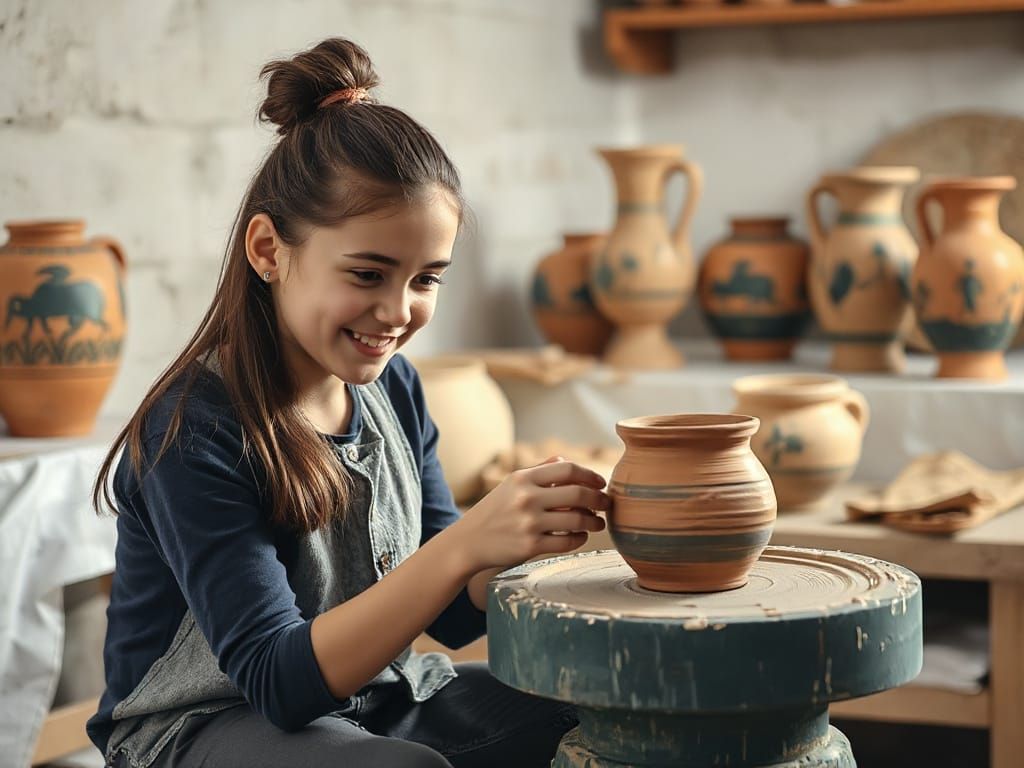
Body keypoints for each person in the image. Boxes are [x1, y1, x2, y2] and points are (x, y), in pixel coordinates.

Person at [87, 37, 610, 768]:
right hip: (202, 728)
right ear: (268, 250)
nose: (398, 312)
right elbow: (278, 681)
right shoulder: (194, 427)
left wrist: (529, 542)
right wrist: (464, 543)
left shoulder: (394, 388)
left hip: (380, 700)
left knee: (607, 707)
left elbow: (455, 615)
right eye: (368, 274)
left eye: (426, 279)